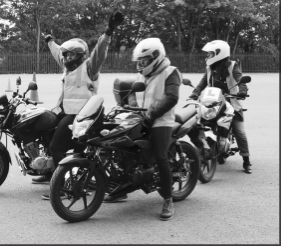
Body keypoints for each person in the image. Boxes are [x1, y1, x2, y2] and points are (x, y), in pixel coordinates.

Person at [33, 12, 125, 200]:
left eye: (70, 54)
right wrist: (49, 41)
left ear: (79, 55)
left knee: (56, 146)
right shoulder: (67, 66)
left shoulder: (89, 67)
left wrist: (109, 31)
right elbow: (57, 51)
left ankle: (64, 185)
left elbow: (100, 51)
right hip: (66, 112)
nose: (66, 57)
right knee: (45, 129)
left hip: (83, 115)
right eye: (66, 54)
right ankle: (50, 171)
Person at [104, 38, 182, 221]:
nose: (140, 64)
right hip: (141, 117)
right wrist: (132, 106)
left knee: (161, 156)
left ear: (155, 57)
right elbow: (132, 92)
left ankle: (168, 199)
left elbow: (171, 98)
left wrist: (152, 115)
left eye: (144, 60)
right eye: (139, 61)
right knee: (122, 147)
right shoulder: (143, 74)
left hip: (161, 120)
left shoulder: (171, 72)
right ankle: (122, 188)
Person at [188, 40, 252, 174]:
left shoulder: (233, 66)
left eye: (210, 54)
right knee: (196, 123)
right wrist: (194, 94)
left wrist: (242, 90)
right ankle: (199, 152)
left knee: (239, 131)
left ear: (219, 54)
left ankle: (246, 160)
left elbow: (240, 79)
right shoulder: (210, 68)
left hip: (231, 102)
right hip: (213, 101)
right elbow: (202, 83)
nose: (207, 57)